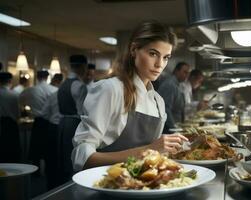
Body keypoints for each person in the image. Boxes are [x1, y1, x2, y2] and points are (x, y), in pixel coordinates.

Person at [72, 20, 188, 171]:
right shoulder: (110, 89)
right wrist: (148, 151)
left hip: (142, 186)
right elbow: (82, 158)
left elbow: (150, 159)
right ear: (134, 50)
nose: (160, 64)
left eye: (166, 57)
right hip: (105, 184)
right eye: (153, 54)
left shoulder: (158, 102)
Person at [57, 54, 88, 182]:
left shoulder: (63, 83)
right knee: (72, 156)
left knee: (63, 155)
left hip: (62, 122)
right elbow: (82, 111)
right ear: (83, 67)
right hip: (74, 123)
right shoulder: (78, 85)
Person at [157, 62, 190, 132]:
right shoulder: (170, 85)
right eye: (185, 72)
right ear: (176, 71)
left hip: (174, 126)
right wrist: (174, 128)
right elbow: (165, 109)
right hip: (168, 128)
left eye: (187, 73)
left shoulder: (177, 84)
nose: (186, 75)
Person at [0, 72, 21, 162]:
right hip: (10, 124)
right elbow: (17, 113)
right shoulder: (14, 94)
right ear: (10, 81)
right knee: (11, 149)